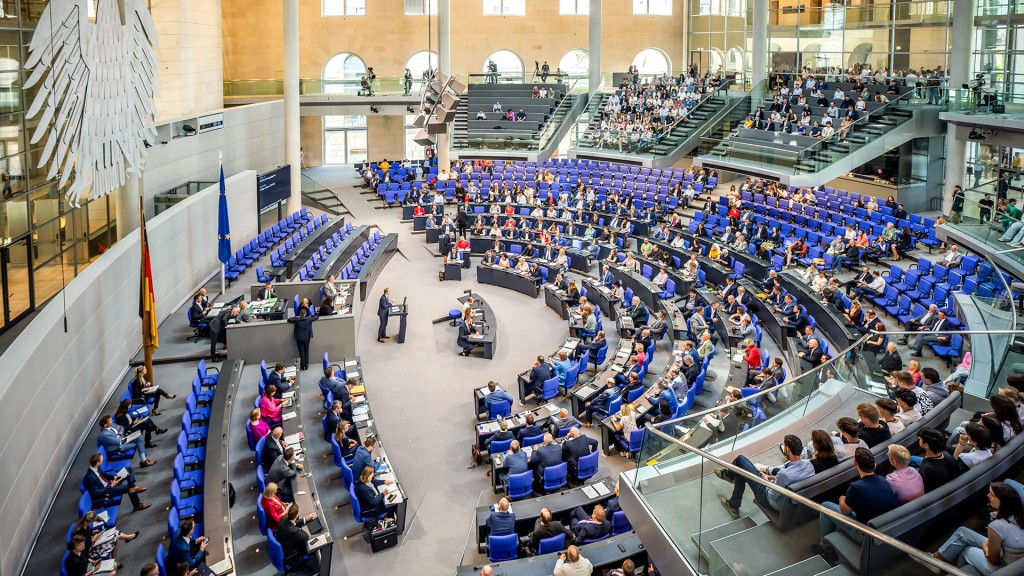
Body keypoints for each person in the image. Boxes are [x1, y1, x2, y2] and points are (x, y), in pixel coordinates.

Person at [815, 448, 898, 562]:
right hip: (884, 529)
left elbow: (845, 511)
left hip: (865, 534)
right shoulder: (883, 480)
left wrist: (841, 499)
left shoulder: (856, 487)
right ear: (874, 465)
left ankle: (825, 549)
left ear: (855, 463)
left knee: (825, 506)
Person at [932, 482, 1024, 574]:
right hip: (1013, 559)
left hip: (1005, 568)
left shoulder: (997, 526)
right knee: (962, 532)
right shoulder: (1018, 516)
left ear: (1003, 501)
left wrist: (985, 546)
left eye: (992, 495)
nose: (988, 496)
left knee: (966, 550)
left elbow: (994, 560)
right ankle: (934, 558)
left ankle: (956, 572)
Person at [715, 434, 815, 518]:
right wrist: (773, 478)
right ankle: (733, 503)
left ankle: (729, 475)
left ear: (788, 450)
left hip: (769, 499)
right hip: (791, 502)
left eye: (784, 447)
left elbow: (772, 495)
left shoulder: (785, 475)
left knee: (740, 460)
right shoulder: (809, 465)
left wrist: (766, 481)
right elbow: (791, 481)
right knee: (742, 471)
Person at [83, 453, 150, 512]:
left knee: (128, 469)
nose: (102, 460)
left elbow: (104, 474)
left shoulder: (96, 467)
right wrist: (111, 485)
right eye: (101, 459)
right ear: (97, 462)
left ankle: (133, 487)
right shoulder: (90, 478)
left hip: (110, 483)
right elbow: (97, 493)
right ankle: (137, 505)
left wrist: (114, 477)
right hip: (107, 491)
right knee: (128, 487)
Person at [276, 504, 320, 574]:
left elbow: (292, 522)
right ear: (297, 515)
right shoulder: (293, 531)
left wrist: (306, 519)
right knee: (312, 545)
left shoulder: (284, 518)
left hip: (283, 544)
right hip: (292, 552)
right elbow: (305, 537)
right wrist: (299, 529)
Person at [917, 428, 961, 492]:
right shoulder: (947, 455)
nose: (919, 438)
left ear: (926, 445)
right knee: (912, 459)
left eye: (920, 438)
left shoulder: (926, 469)